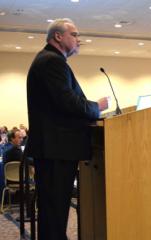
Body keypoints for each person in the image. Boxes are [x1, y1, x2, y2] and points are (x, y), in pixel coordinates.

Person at [26, 18, 109, 240]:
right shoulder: (52, 62)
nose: (78, 39)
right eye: (74, 34)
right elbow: (68, 102)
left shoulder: (49, 60)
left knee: (53, 212)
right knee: (54, 213)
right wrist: (96, 107)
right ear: (58, 36)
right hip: (56, 150)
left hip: (55, 149)